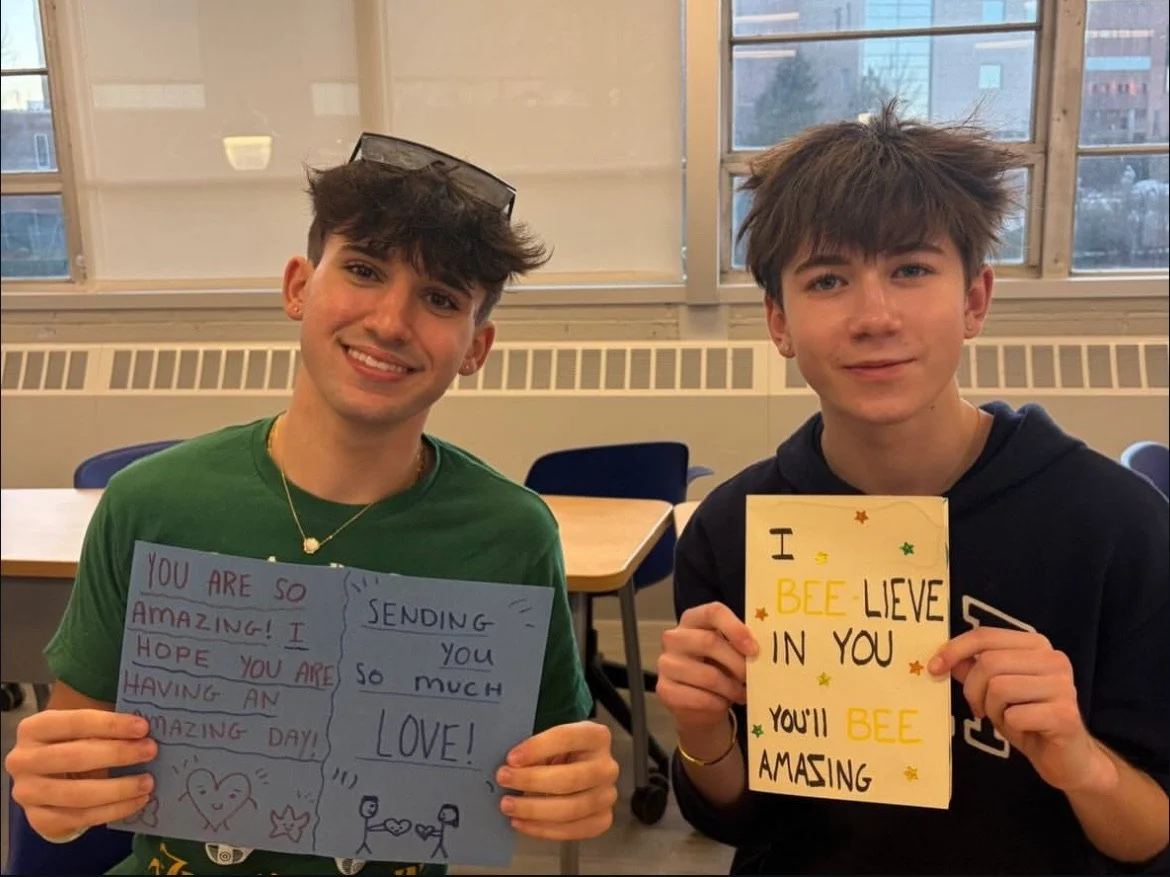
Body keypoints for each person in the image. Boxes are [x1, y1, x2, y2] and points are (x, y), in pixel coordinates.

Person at [5, 134, 619, 876]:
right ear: (299, 286)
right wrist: (54, 799)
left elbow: (556, 761)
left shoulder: (511, 535)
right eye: (363, 269)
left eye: (440, 298)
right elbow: (73, 770)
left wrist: (574, 788)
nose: (391, 321)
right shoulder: (150, 505)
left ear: (475, 347)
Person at [656, 103, 1169, 874]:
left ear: (975, 301)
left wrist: (1081, 760)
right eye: (827, 279)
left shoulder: (1118, 526)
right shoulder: (732, 529)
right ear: (778, 322)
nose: (874, 315)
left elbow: (1153, 834)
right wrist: (701, 729)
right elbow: (740, 817)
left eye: (911, 270)